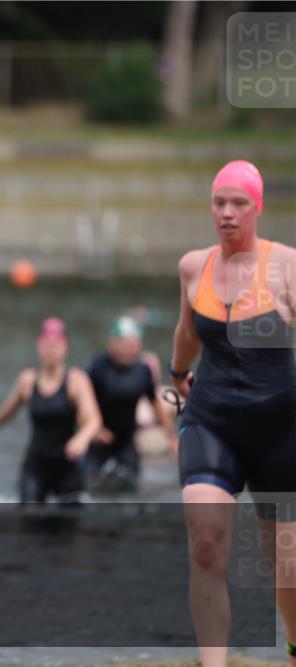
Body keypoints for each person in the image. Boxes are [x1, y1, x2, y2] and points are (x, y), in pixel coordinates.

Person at [170, 159, 296, 667]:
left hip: (280, 431)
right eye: (219, 203)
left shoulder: (286, 266)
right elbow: (187, 333)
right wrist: (178, 374)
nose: (227, 213)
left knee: (286, 563)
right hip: (211, 421)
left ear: (257, 207)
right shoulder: (193, 267)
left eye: (238, 203)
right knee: (205, 543)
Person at [0, 317, 102, 504]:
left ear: (65, 347)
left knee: (68, 519)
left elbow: (93, 420)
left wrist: (82, 439)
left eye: (55, 345)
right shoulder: (28, 380)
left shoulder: (76, 380)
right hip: (36, 466)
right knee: (29, 515)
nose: (50, 350)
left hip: (67, 466)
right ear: (38, 346)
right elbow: (8, 410)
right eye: (46, 344)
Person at [83, 316, 177, 494]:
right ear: (112, 343)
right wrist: (95, 429)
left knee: (130, 492)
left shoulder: (142, 371)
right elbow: (82, 401)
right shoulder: (98, 367)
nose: (128, 348)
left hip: (127, 444)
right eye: (123, 343)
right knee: (92, 490)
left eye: (133, 344)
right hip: (99, 442)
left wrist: (171, 437)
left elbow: (155, 403)